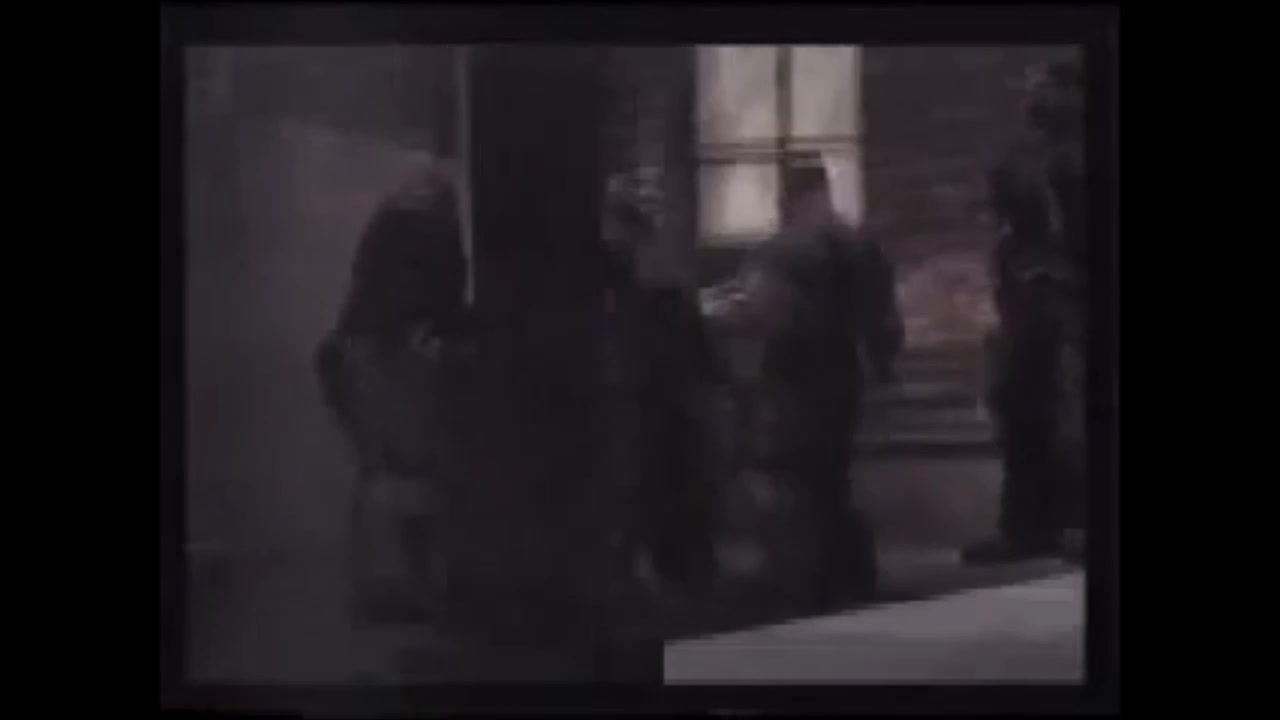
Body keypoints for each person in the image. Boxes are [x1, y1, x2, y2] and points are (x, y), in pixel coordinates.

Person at [737, 154, 903, 608]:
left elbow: (765, 310)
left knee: (795, 476)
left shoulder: (779, 252)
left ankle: (805, 578)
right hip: (842, 373)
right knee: (831, 476)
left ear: (789, 197)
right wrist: (881, 366)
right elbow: (884, 318)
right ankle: (847, 575)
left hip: (794, 374)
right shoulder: (860, 247)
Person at [965, 59, 1086, 565]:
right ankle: (1027, 527)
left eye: (1048, 87)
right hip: (1028, 302)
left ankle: (1076, 525)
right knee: (1019, 407)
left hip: (1070, 300)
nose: (1035, 96)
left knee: (1070, 414)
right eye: (1034, 86)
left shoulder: (1077, 156)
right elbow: (1011, 226)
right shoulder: (1028, 156)